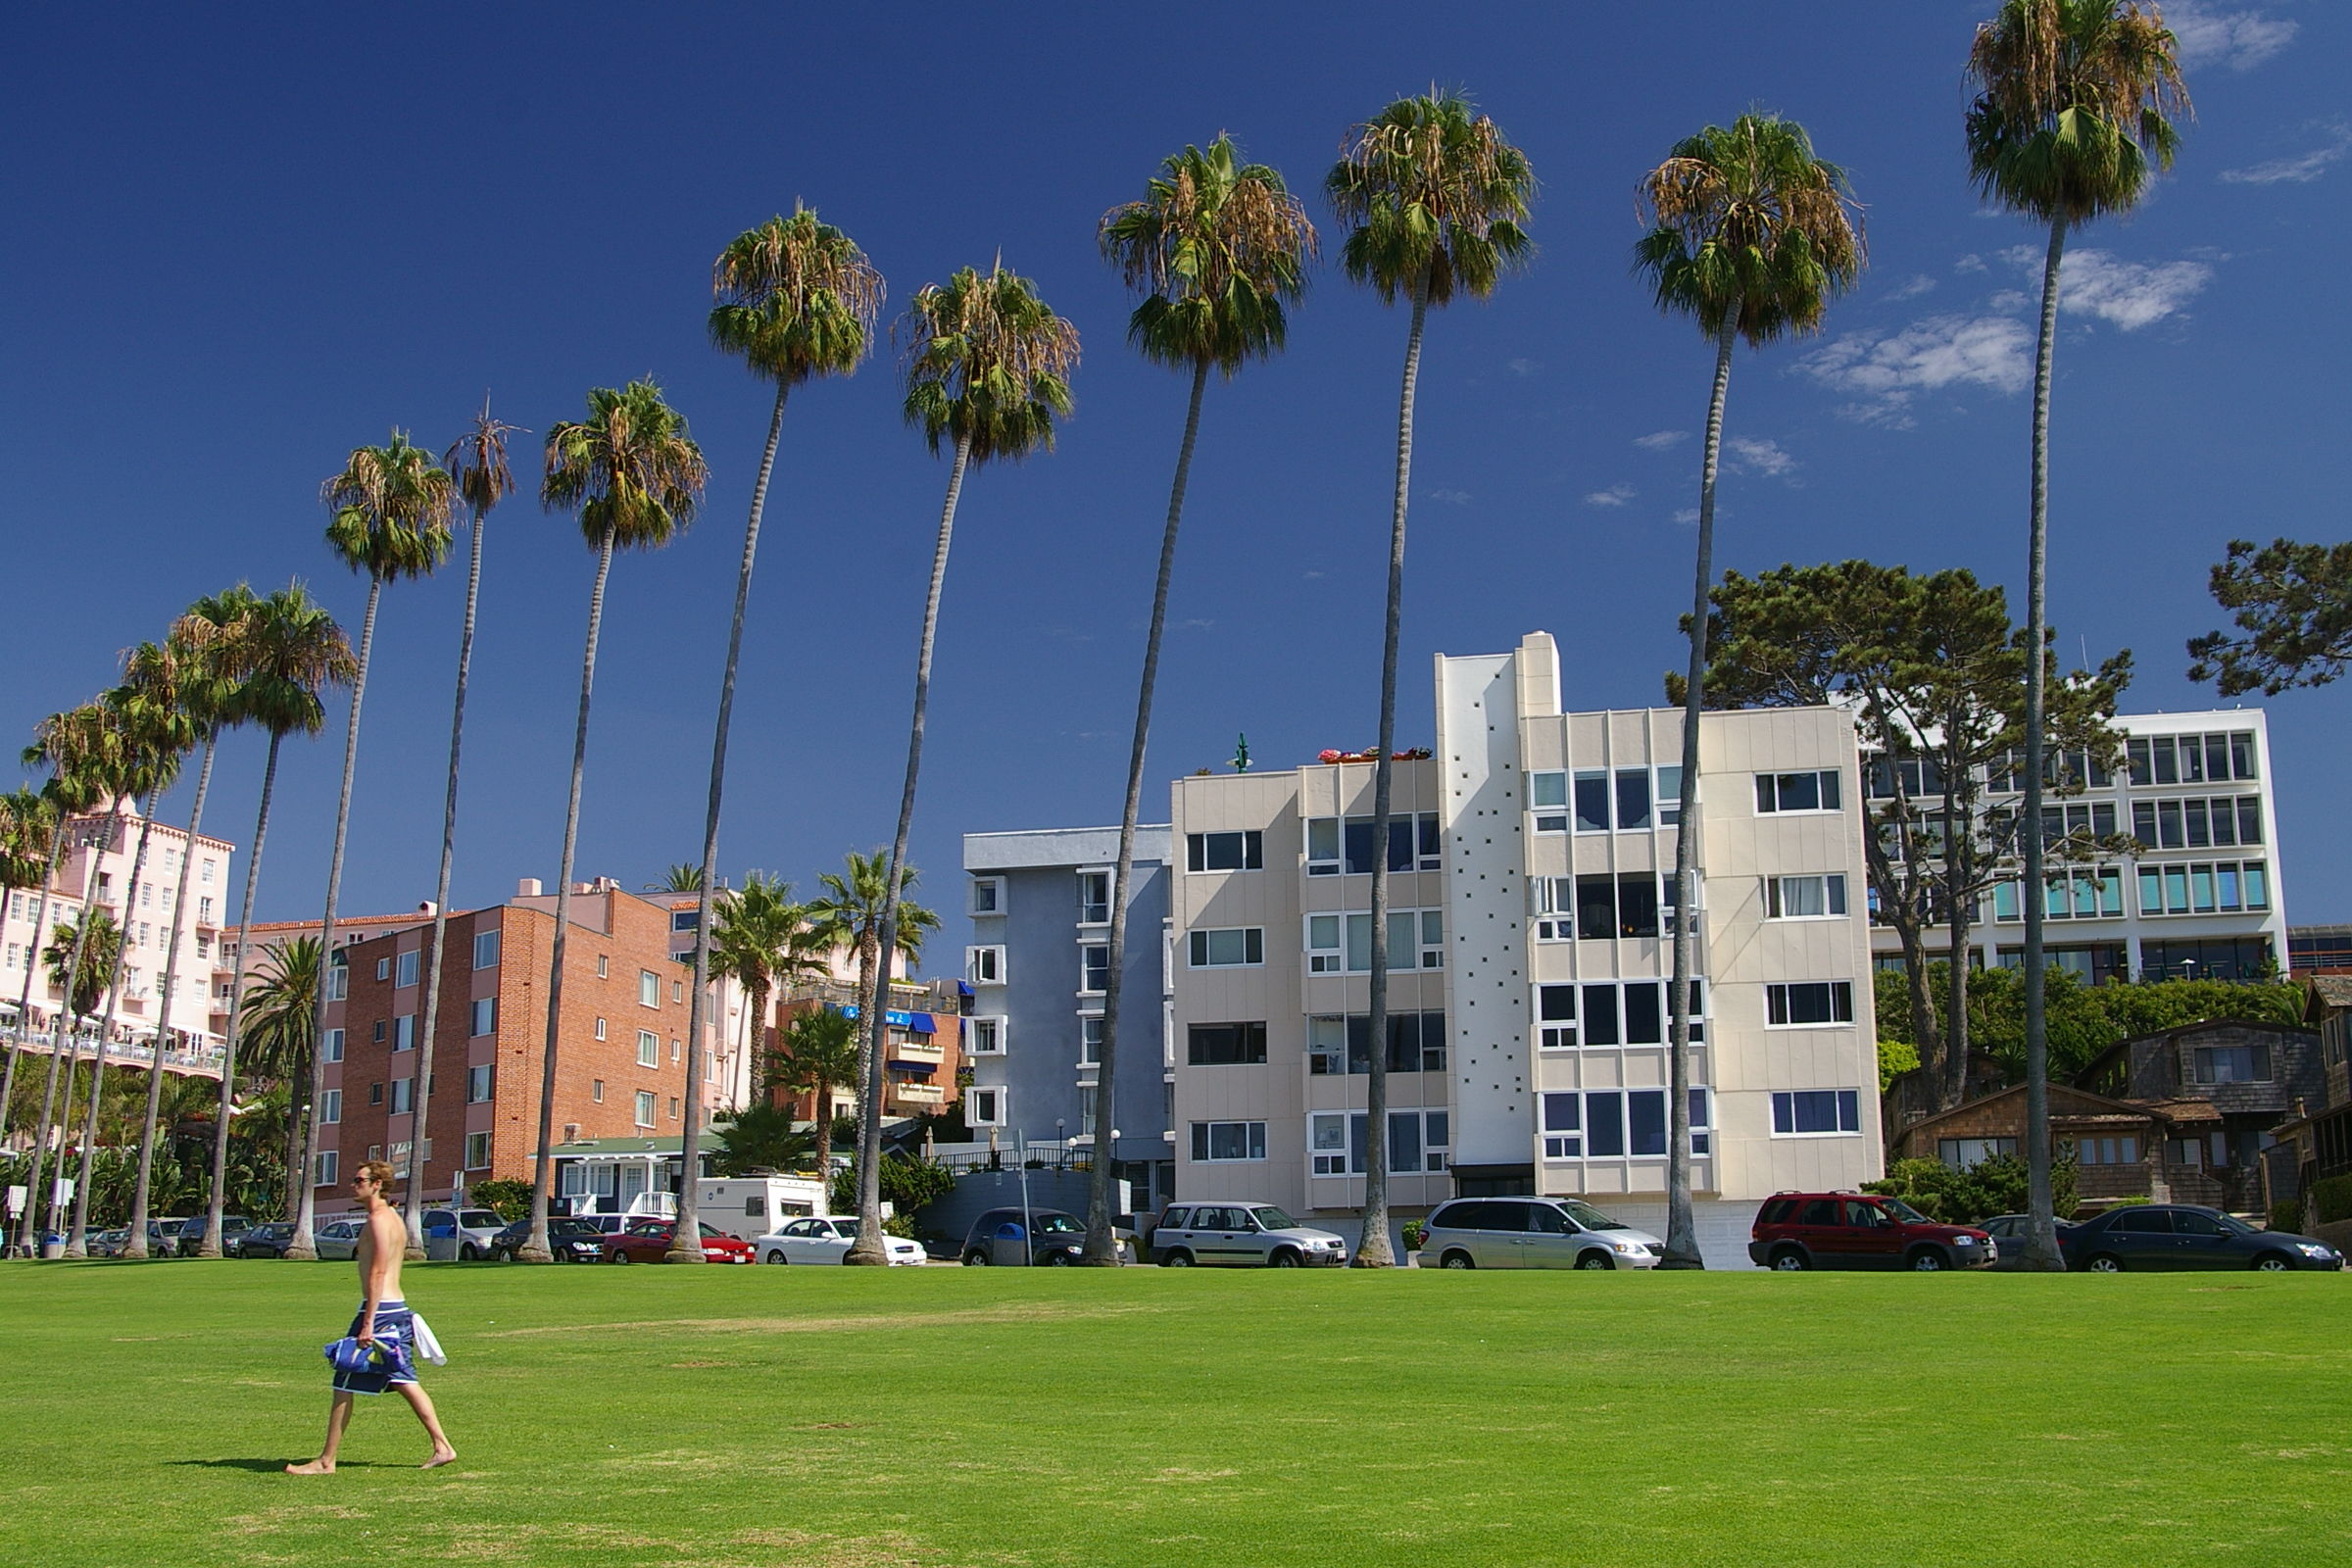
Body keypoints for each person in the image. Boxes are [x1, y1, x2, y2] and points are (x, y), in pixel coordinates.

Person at [285, 1160, 457, 1473]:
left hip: (379, 1312)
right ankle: (442, 1445)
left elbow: (378, 1272)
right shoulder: (392, 1219)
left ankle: (326, 1461)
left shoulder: (379, 1220)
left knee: (345, 1380)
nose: (354, 1184)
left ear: (376, 1184)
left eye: (359, 1179)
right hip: (396, 1309)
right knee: (403, 1378)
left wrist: (367, 1323)